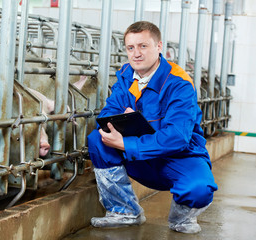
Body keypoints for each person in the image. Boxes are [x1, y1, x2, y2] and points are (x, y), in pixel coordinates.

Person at [87, 21, 218, 234]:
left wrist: (126, 142)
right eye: (131, 48)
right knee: (97, 139)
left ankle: (181, 219)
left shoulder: (178, 83)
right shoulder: (126, 75)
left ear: (159, 47)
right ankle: (124, 211)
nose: (136, 54)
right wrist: (121, 122)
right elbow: (107, 114)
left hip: (179, 158)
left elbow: (177, 138)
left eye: (143, 46)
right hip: (141, 157)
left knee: (200, 189)